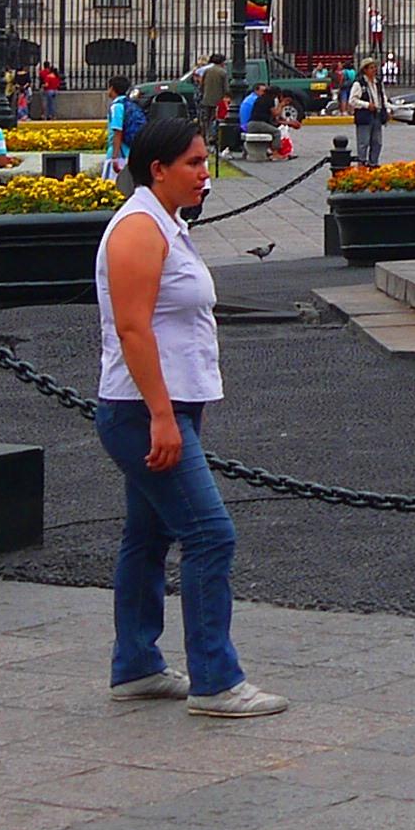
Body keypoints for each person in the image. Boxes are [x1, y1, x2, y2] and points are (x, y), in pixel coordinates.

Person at [95, 112, 282, 717]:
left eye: (205, 162)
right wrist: (161, 415)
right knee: (209, 533)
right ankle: (215, 679)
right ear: (159, 170)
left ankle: (137, 665)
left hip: (168, 402)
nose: (206, 174)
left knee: (148, 535)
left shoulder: (165, 223)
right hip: (143, 406)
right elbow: (131, 327)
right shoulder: (138, 231)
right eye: (195, 164)